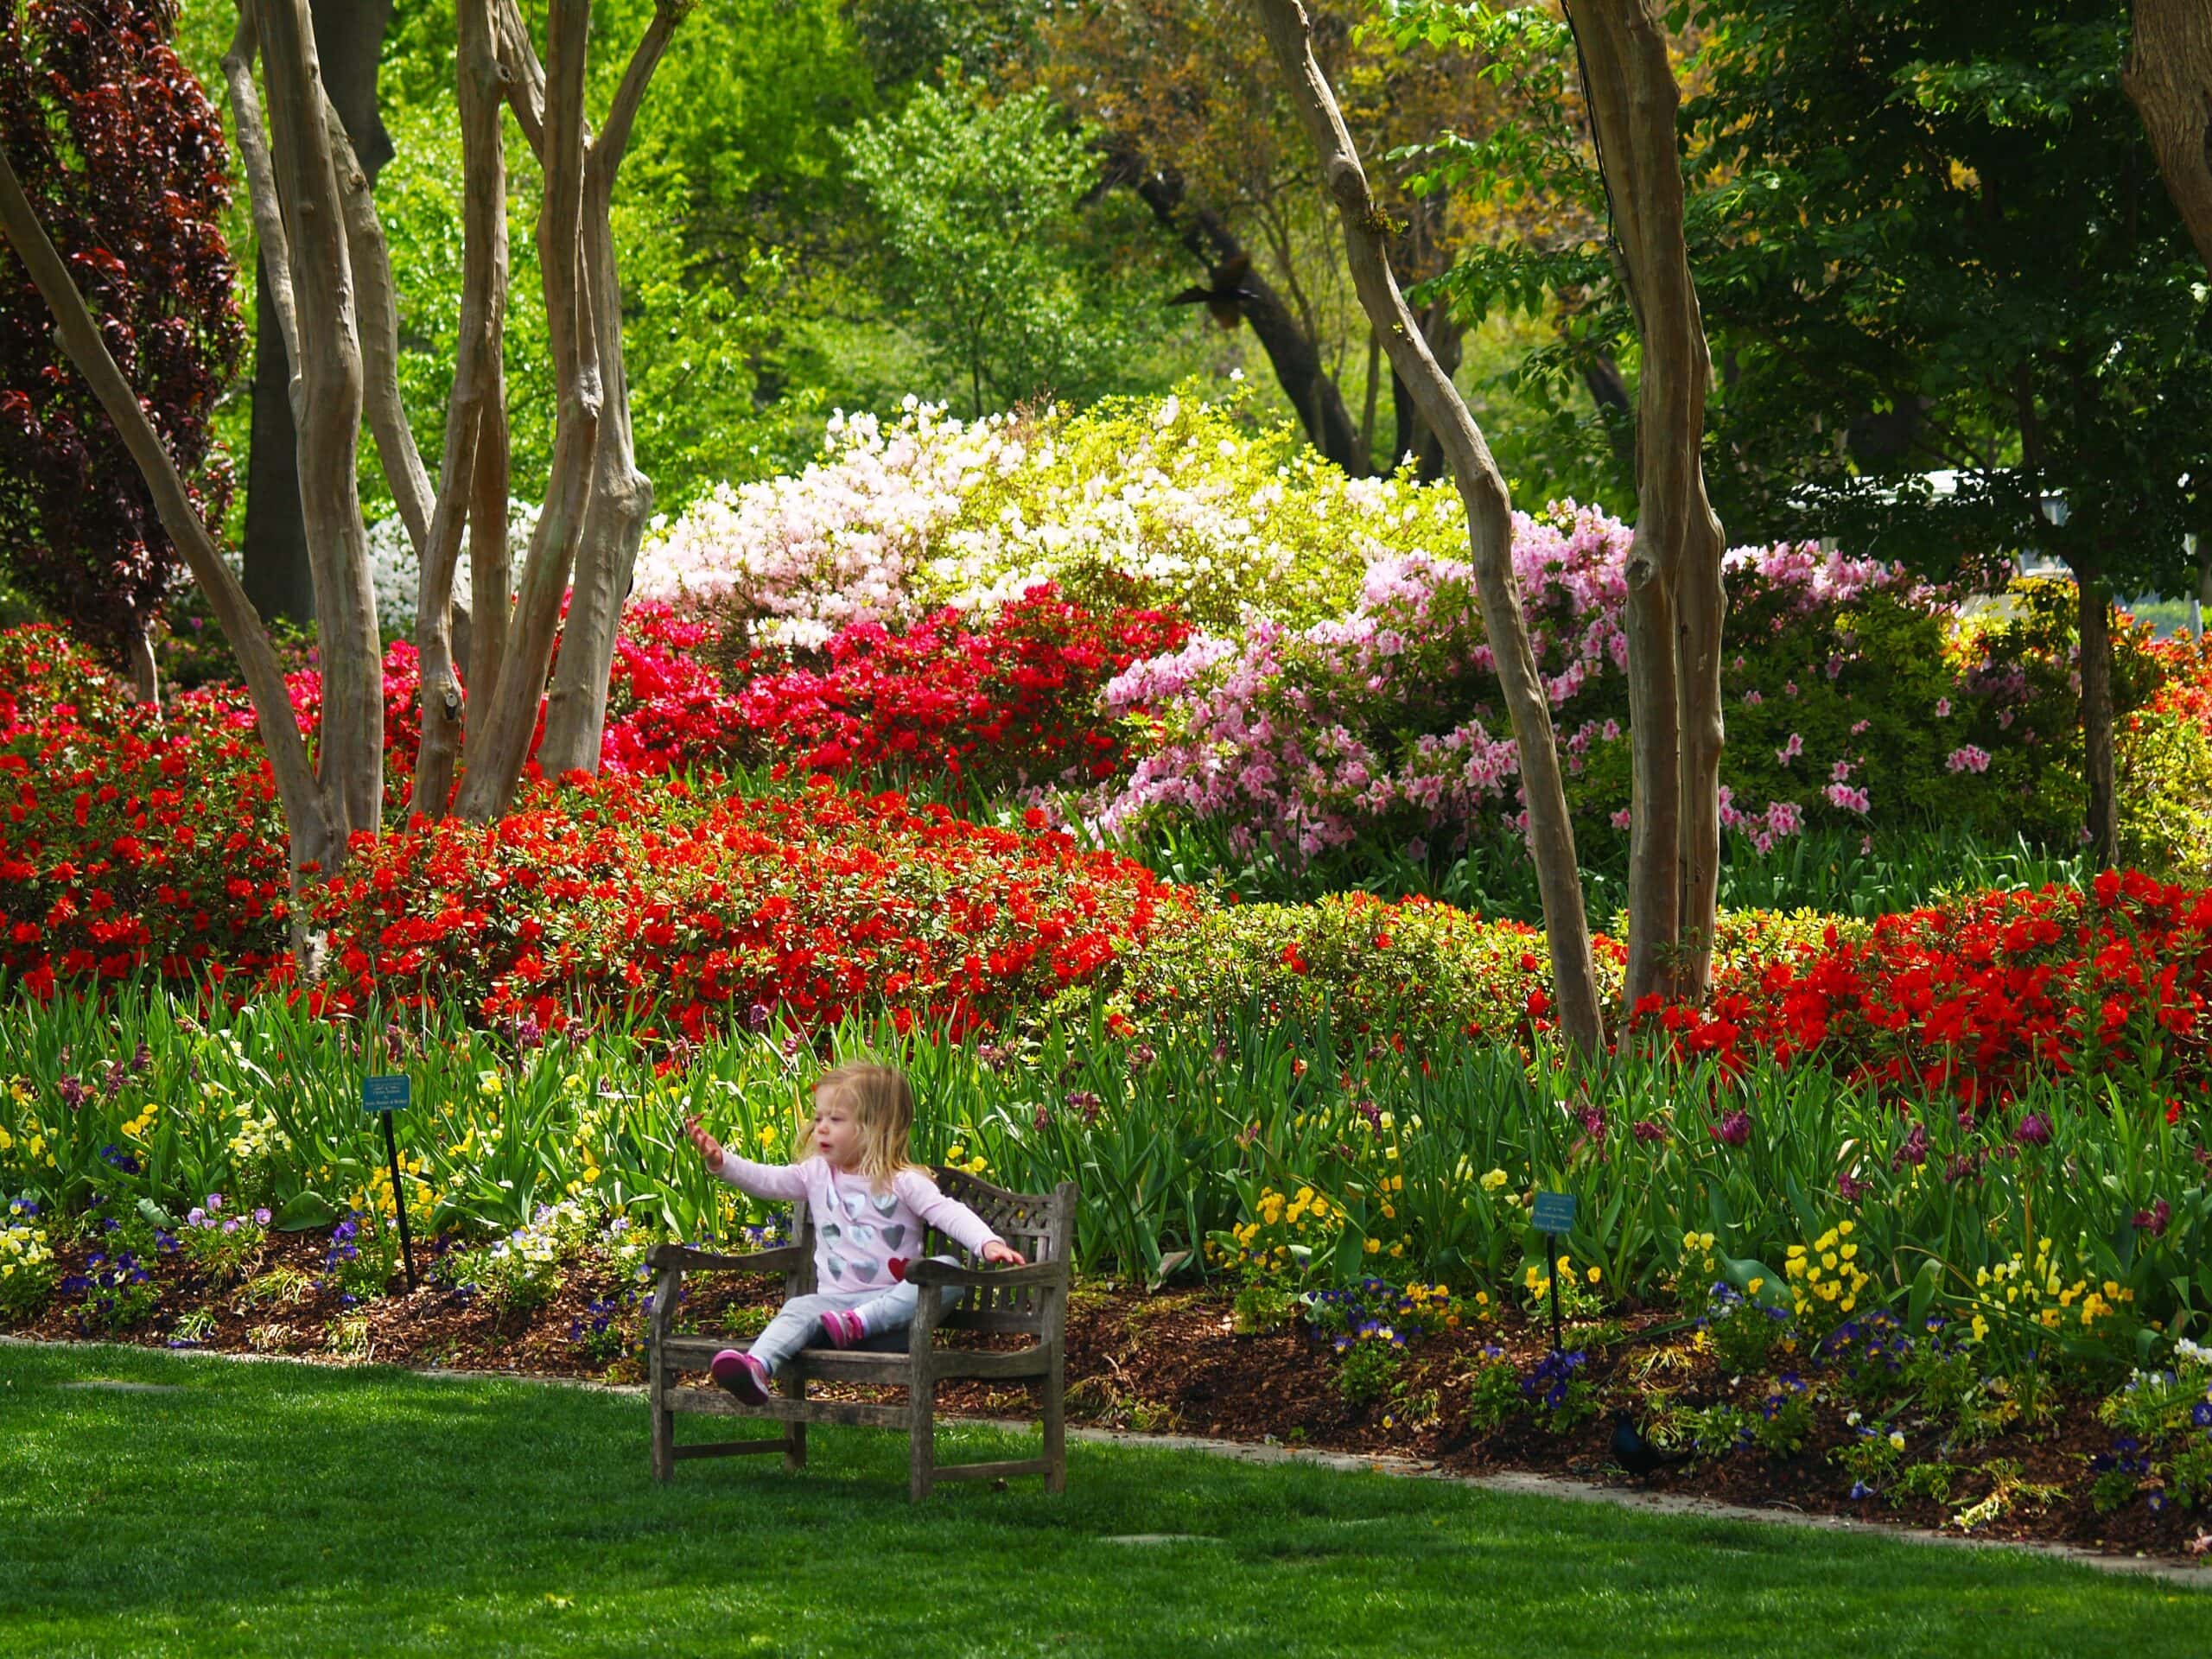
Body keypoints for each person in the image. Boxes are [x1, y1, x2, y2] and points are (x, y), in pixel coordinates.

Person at [683, 1059, 1025, 1405]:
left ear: (875, 1126)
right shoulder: (815, 1174)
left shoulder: (903, 1181)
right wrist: (721, 1161)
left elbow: (947, 1212)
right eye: (818, 1118)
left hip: (892, 1324)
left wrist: (987, 1242)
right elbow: (766, 1179)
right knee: (800, 1307)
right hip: (831, 1319)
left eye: (835, 1119)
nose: (822, 1129)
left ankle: (858, 1321)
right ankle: (757, 1367)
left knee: (948, 1270)